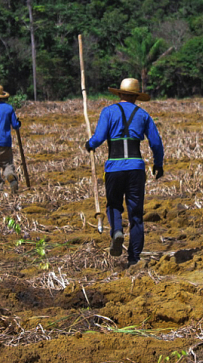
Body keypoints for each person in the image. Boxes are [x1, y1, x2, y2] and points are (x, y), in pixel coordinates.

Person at [84, 78, 164, 268]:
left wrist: (89, 144)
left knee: (113, 205)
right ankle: (134, 257)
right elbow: (156, 143)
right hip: (136, 168)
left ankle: (117, 231)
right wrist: (158, 164)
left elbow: (99, 138)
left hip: (114, 167)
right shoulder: (143, 115)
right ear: (136, 97)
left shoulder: (108, 112)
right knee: (136, 214)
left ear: (119, 94)